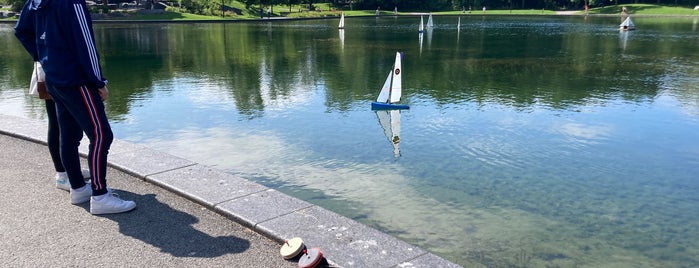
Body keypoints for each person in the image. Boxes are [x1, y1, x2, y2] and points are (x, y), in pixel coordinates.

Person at [15, 0, 136, 214]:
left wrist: (45, 56)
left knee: (68, 134)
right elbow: (86, 45)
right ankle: (100, 196)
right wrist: (99, 82)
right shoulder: (72, 3)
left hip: (54, 77)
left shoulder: (37, 2)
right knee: (101, 135)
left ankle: (78, 188)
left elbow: (22, 30)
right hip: (76, 80)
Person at [32, 62, 91, 191]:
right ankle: (62, 175)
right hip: (53, 68)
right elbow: (27, 40)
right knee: (57, 124)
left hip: (58, 67)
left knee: (65, 124)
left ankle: (69, 171)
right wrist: (39, 53)